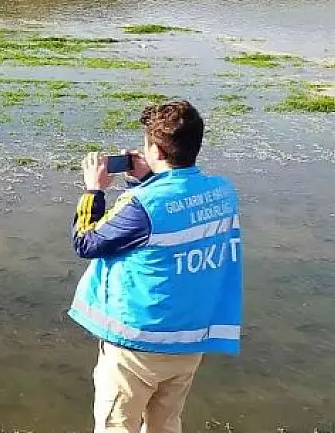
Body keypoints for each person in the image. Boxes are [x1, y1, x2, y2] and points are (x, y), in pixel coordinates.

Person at [67, 100, 243, 433]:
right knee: (165, 424)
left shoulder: (142, 207)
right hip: (189, 339)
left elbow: (86, 242)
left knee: (117, 425)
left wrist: (94, 190)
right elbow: (165, 223)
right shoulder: (222, 192)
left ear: (158, 151)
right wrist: (145, 180)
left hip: (137, 345)